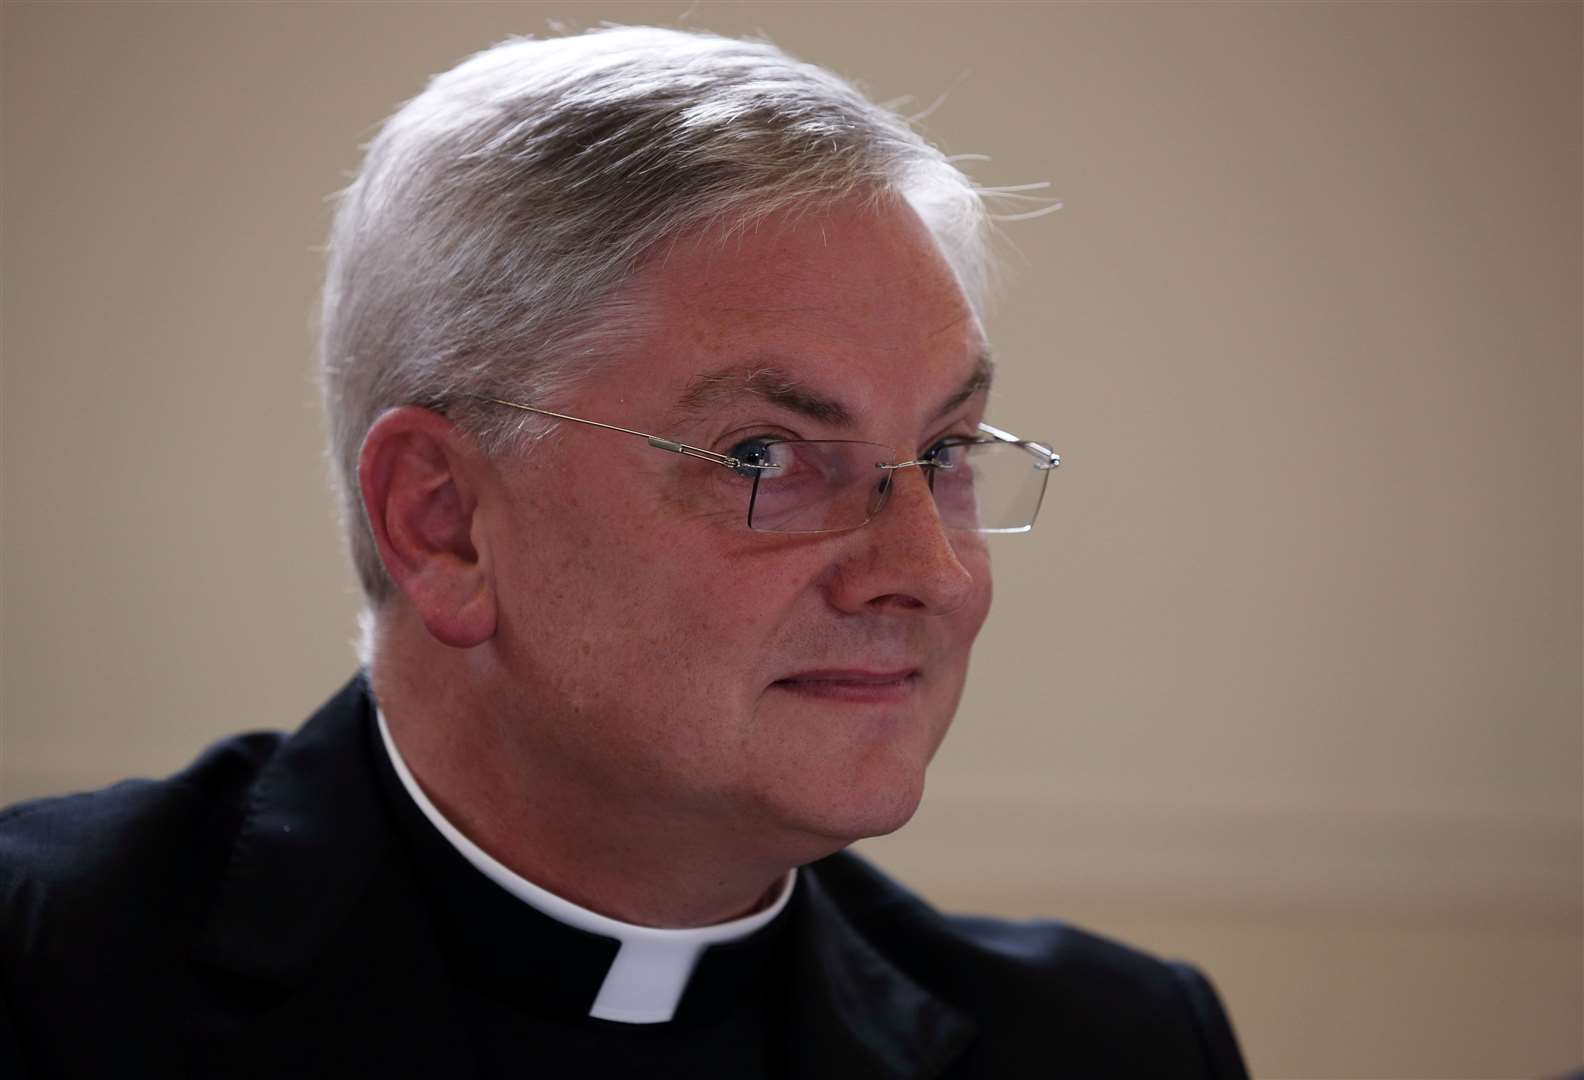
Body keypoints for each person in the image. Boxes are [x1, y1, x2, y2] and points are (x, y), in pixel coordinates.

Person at [0, 26, 1249, 1078]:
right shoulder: (43, 969)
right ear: (443, 521)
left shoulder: (1109, 1046)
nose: (931, 572)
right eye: (764, 455)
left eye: (950, 452)